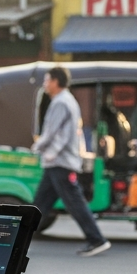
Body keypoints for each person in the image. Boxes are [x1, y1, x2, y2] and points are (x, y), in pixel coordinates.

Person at [33, 66, 110, 257]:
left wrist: (38, 147)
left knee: (74, 203)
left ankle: (96, 239)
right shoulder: (67, 100)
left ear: (56, 82)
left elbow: (55, 134)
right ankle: (16, 238)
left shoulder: (61, 103)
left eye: (47, 80)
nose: (44, 84)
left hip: (60, 162)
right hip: (57, 163)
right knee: (39, 205)